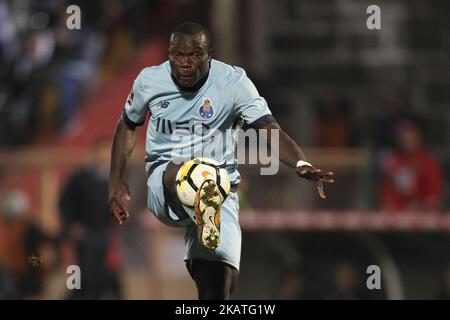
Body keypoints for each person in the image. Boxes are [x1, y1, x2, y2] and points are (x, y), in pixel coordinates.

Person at [108, 22, 334, 300]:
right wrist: (115, 181)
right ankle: (202, 193)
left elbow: (269, 130)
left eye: (194, 55)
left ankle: (208, 207)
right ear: (169, 54)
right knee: (190, 170)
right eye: (177, 55)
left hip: (222, 192)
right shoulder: (150, 81)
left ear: (209, 55)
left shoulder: (233, 83)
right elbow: (128, 125)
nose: (184, 63)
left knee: (218, 290)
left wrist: (300, 163)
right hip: (165, 183)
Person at [59, 140, 122, 299]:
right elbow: (64, 203)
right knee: (85, 276)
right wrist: (72, 225)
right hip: (85, 234)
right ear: (94, 154)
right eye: (102, 151)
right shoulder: (80, 178)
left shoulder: (111, 180)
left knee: (100, 276)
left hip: (103, 234)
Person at [379, 120, 443, 212]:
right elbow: (387, 189)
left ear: (418, 138)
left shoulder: (427, 162)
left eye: (410, 137)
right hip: (397, 213)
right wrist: (389, 205)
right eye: (403, 137)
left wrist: (423, 206)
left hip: (421, 213)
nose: (407, 140)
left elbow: (434, 194)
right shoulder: (393, 161)